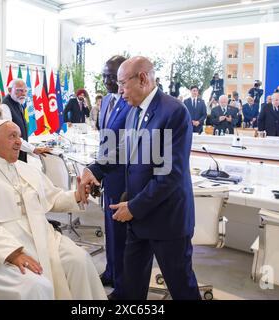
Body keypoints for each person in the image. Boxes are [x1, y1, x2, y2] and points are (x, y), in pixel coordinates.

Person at [0, 120, 107, 300]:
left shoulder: (28, 169)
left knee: (80, 260)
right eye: (12, 136)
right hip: (4, 246)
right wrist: (13, 253)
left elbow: (52, 198)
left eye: (19, 136)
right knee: (35, 286)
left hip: (46, 239)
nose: (19, 141)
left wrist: (76, 195)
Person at [82, 56, 201, 300]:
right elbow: (125, 149)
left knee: (181, 288)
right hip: (137, 217)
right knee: (130, 287)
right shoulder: (135, 112)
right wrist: (95, 169)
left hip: (166, 219)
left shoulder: (173, 112)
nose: (120, 92)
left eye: (123, 84)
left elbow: (170, 175)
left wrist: (134, 207)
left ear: (143, 79)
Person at [96, 55, 131, 299]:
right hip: (107, 173)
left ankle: (122, 282)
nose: (106, 80)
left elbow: (127, 145)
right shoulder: (108, 100)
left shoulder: (131, 103)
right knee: (108, 228)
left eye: (111, 76)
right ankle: (110, 270)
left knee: (121, 232)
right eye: (105, 75)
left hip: (122, 175)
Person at [0, 79, 49, 162]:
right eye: (19, 90)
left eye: (25, 91)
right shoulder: (5, 107)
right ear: (9, 90)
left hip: (19, 153)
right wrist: (33, 149)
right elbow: (11, 136)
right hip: (10, 156)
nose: (23, 94)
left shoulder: (19, 103)